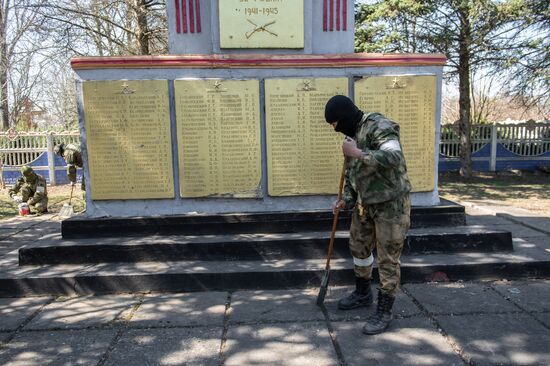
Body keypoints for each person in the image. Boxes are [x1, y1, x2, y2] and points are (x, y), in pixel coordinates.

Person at [324, 95, 412, 335]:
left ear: (344, 117)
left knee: (387, 258)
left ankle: (384, 310)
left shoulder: (379, 126)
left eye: (335, 123)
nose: (335, 129)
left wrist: (358, 153)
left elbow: (395, 158)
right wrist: (345, 201)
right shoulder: (352, 136)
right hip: (366, 205)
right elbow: (353, 175)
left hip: (391, 206)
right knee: (359, 249)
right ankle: (363, 293)